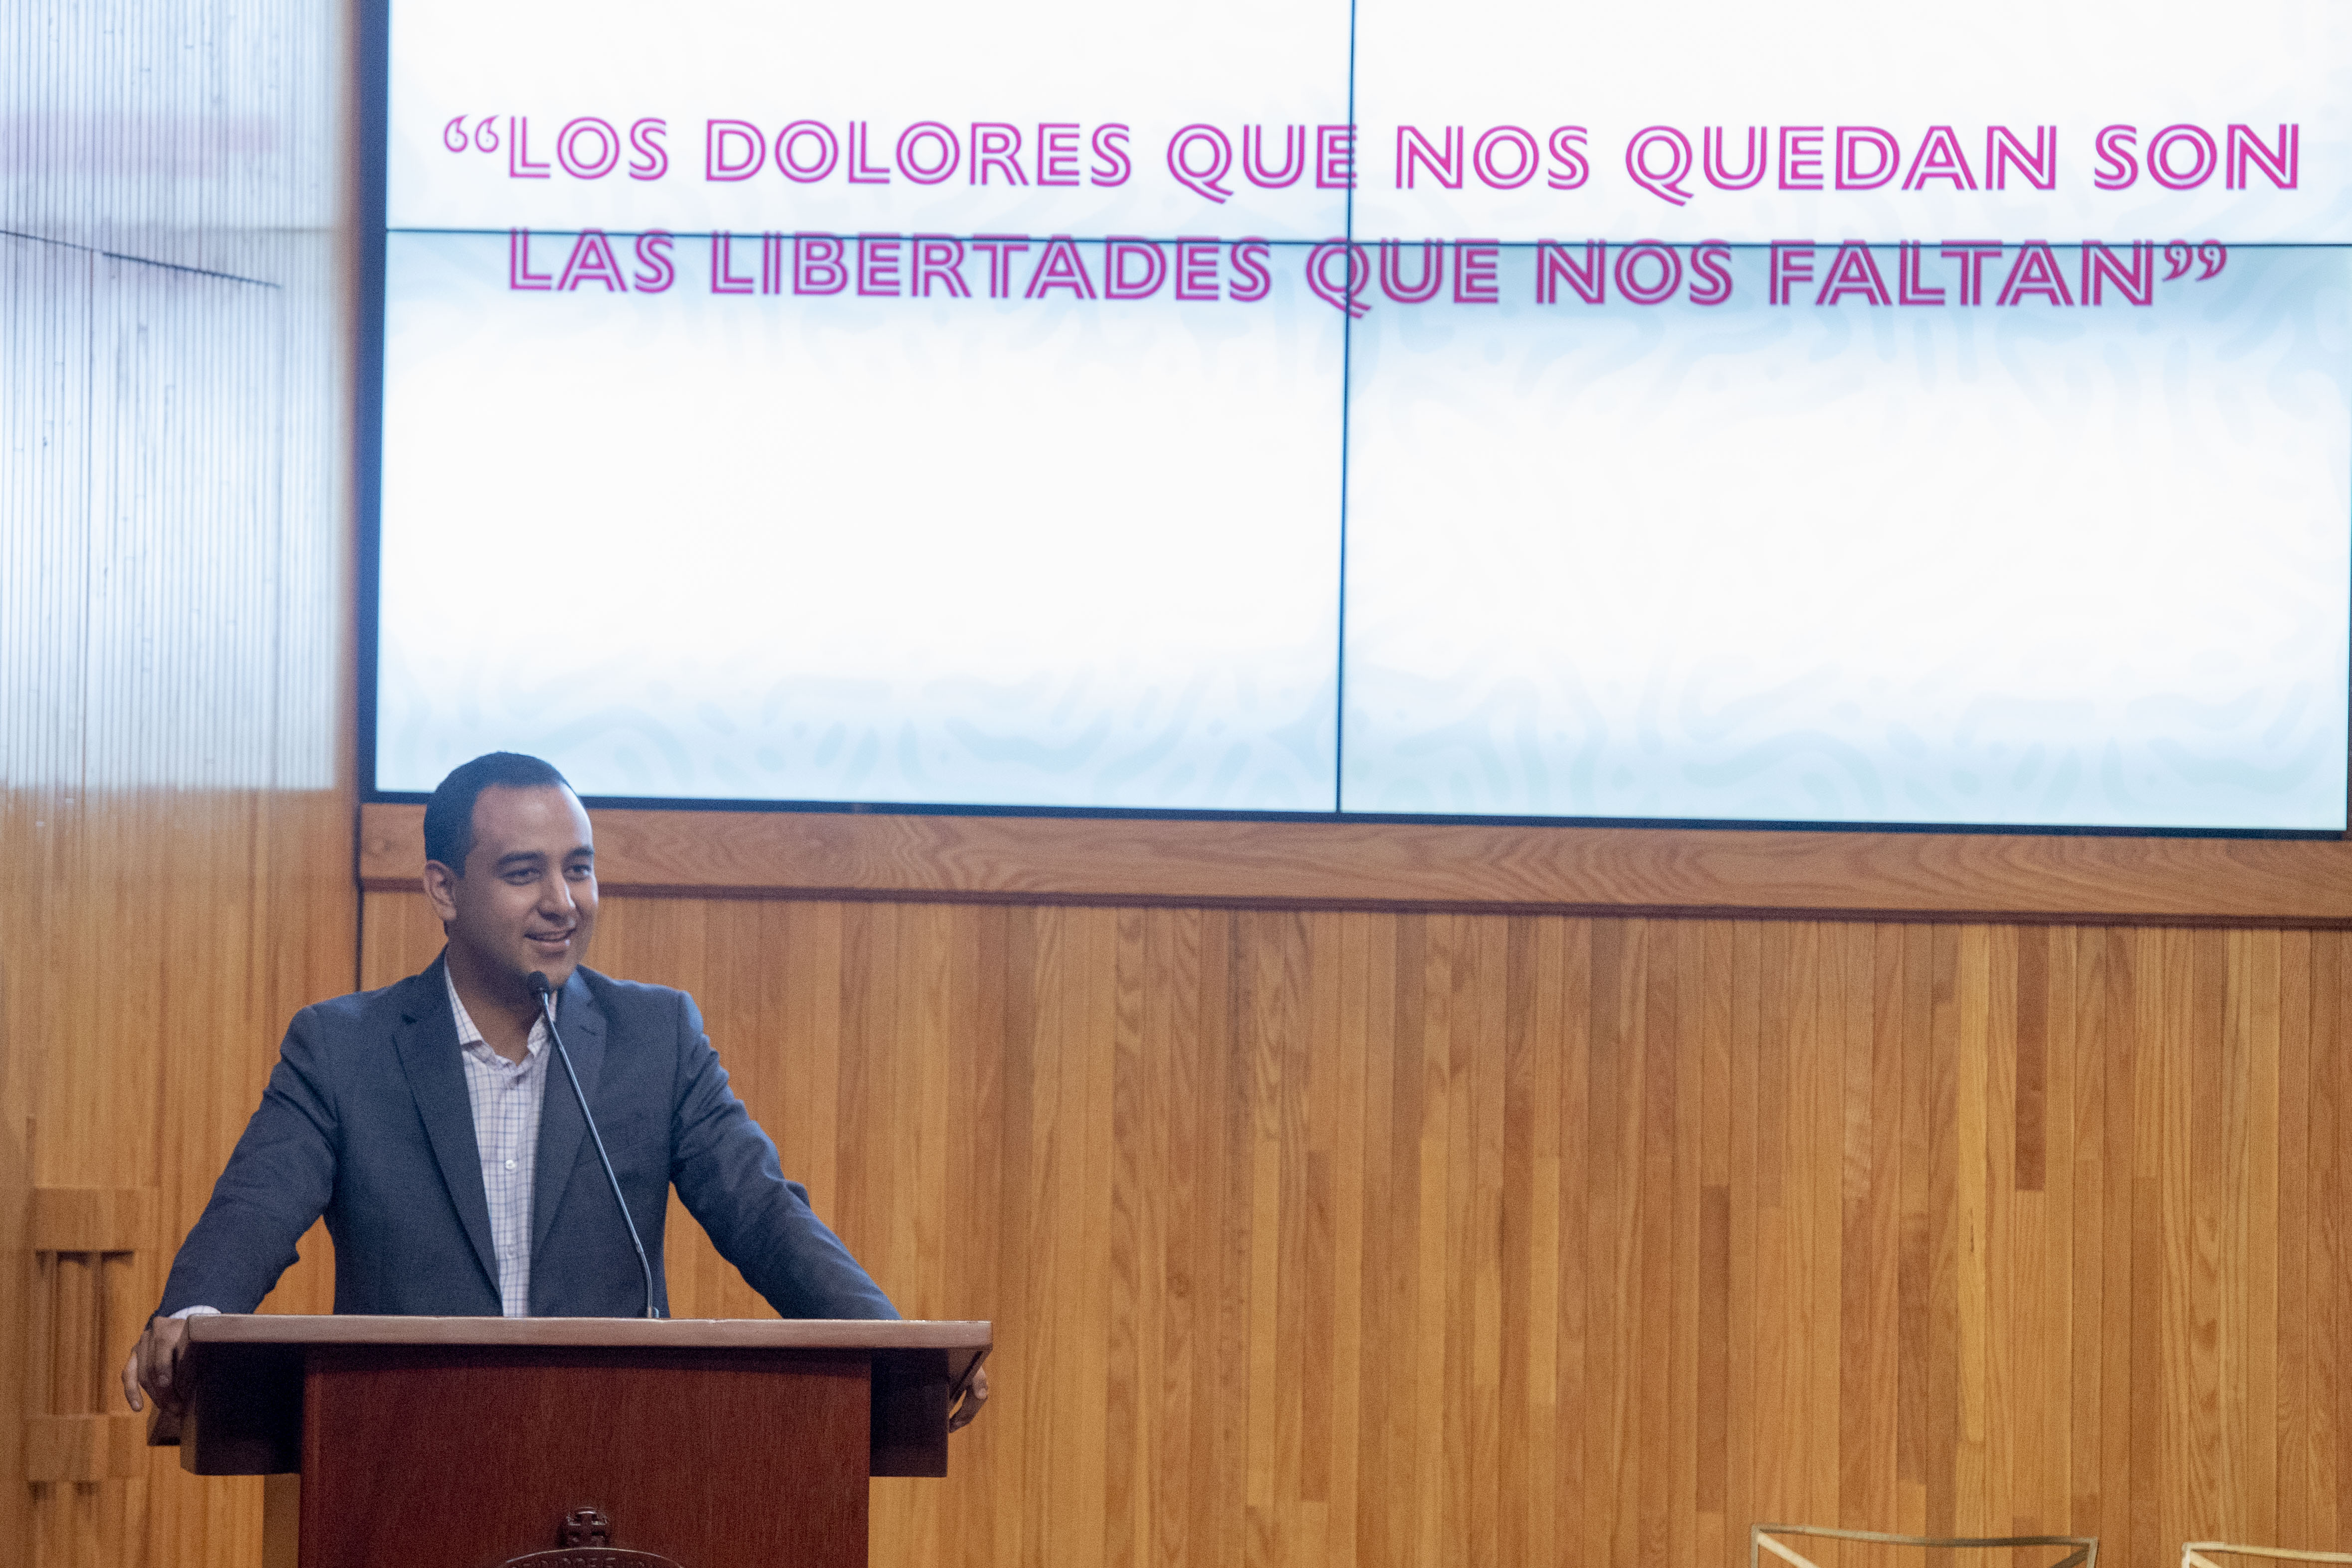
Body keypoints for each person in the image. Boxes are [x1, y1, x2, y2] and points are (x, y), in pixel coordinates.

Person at [122, 751, 986, 1428]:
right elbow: (257, 1207)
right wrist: (194, 1317)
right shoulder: (346, 1049)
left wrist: (897, 1350)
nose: (562, 902)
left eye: (579, 868)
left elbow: (763, 1214)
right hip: (401, 1450)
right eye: (523, 872)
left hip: (609, 1454)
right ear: (444, 889)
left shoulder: (655, 1038)